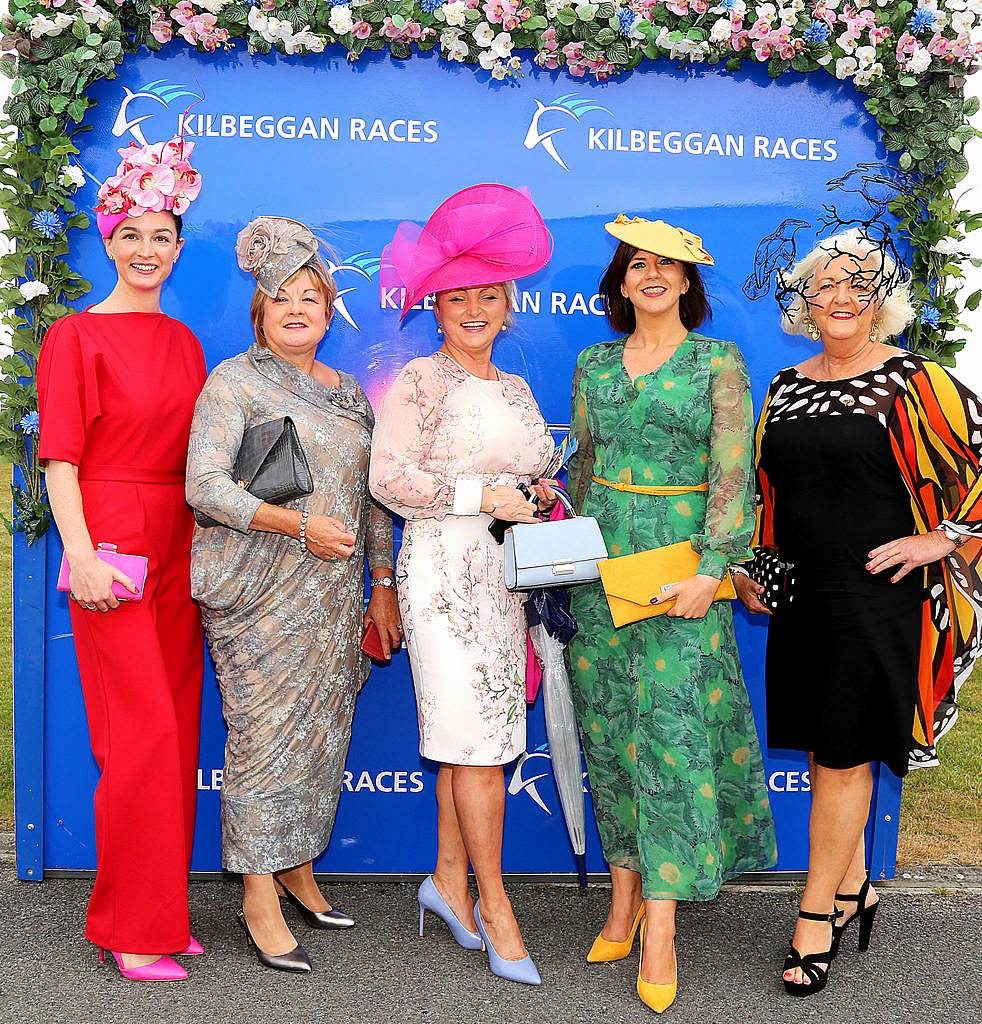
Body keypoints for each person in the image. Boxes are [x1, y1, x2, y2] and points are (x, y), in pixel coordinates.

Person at [733, 228, 982, 996]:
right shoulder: (784, 386)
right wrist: (755, 563)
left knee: (843, 755)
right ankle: (853, 890)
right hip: (803, 596)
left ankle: (814, 919)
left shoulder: (917, 381)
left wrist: (940, 540)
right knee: (830, 753)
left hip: (878, 599)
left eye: (856, 285)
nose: (839, 298)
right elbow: (769, 495)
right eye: (824, 285)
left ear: (881, 301)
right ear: (803, 301)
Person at [567, 215, 777, 1013]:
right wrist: (562, 559)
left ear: (689, 282)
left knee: (675, 741)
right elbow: (583, 467)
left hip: (681, 570)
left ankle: (661, 928)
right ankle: (622, 901)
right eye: (636, 265)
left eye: (668, 266)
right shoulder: (591, 364)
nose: (651, 275)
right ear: (620, 283)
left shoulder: (718, 362)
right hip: (600, 572)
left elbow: (735, 472)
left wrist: (716, 570)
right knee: (613, 735)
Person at [185, 217, 400, 974]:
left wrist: (382, 587)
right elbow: (204, 486)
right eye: (282, 300)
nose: (298, 310)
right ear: (261, 314)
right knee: (263, 742)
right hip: (258, 592)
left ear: (328, 308)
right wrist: (297, 525)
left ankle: (298, 866)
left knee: (319, 739)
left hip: (337, 598)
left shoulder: (347, 395)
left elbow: (375, 502)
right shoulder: (234, 381)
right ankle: (255, 892)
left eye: (312, 297)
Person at [369, 185, 556, 986]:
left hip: (505, 578)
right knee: (479, 750)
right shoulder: (420, 380)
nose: (474, 309)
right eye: (458, 298)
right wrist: (485, 494)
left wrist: (539, 494)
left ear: (508, 306)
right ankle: (497, 904)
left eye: (488, 296)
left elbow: (540, 470)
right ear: (436, 310)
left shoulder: (514, 388)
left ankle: (448, 884)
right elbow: (387, 477)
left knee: (471, 744)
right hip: (444, 574)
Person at [36, 136, 206, 982]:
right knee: (136, 734)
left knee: (174, 731)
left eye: (163, 236)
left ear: (180, 247)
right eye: (132, 234)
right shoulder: (74, 336)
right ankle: (129, 927)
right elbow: (59, 459)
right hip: (109, 540)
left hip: (181, 541)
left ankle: (162, 912)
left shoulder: (181, 341)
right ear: (107, 241)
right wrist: (82, 555)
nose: (147, 251)